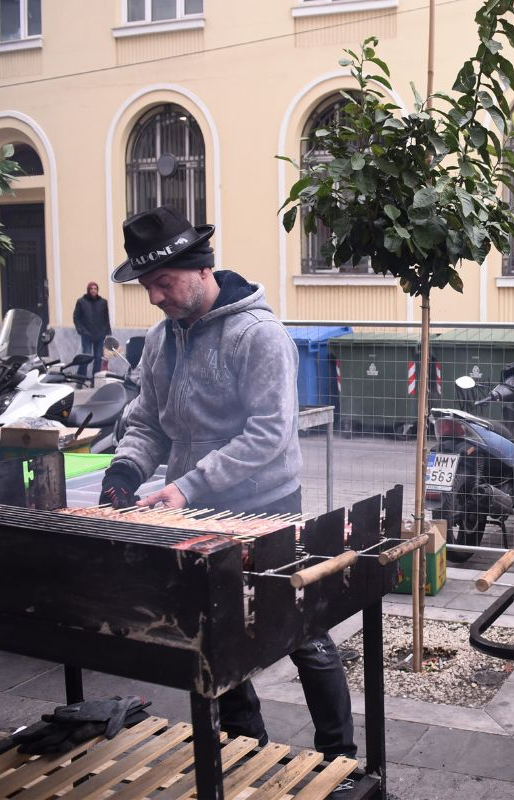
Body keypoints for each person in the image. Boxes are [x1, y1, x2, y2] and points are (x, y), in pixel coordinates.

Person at [97, 204, 355, 760]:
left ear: (201, 269)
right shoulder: (163, 338)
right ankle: (245, 743)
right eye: (147, 286)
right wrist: (125, 471)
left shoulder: (258, 335)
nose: (155, 297)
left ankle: (341, 756)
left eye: (162, 282)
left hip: (264, 505)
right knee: (218, 630)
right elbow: (147, 421)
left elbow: (267, 434)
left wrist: (187, 486)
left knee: (300, 630)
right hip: (192, 509)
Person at [72, 281, 110, 384]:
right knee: (86, 357)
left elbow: (106, 318)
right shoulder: (81, 302)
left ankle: (95, 381)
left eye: (95, 289)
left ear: (97, 290)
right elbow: (76, 318)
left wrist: (106, 332)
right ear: (88, 290)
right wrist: (81, 330)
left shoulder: (103, 302)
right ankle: (80, 380)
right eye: (91, 289)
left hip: (99, 335)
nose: (93, 290)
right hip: (86, 335)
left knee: (98, 358)